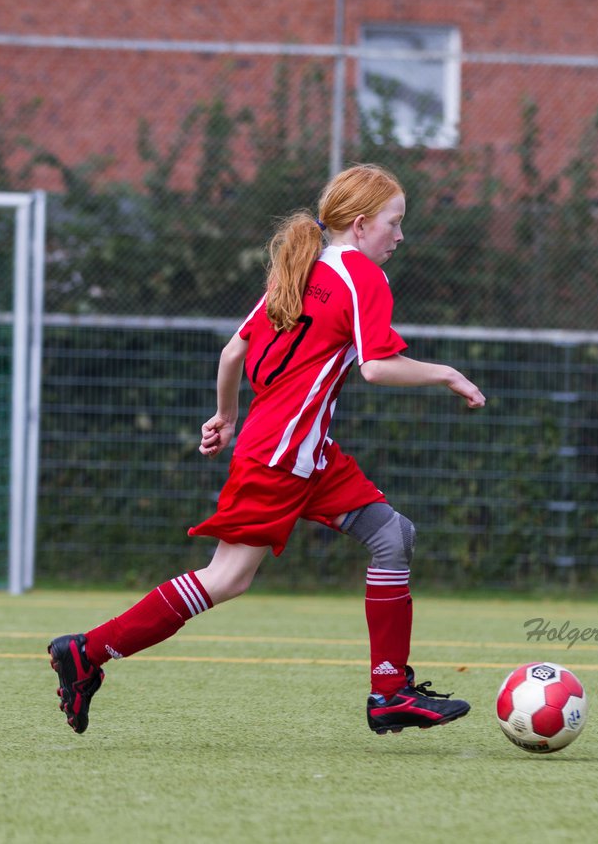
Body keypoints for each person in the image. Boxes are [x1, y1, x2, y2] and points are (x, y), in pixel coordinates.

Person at [48, 163, 485, 735]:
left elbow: (232, 353)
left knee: (391, 535)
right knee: (226, 577)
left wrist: (226, 416)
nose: (400, 236)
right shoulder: (362, 278)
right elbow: (377, 367)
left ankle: (390, 692)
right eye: (394, 223)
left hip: (302, 452)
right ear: (359, 225)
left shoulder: (303, 270)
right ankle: (88, 653)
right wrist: (447, 373)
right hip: (283, 457)